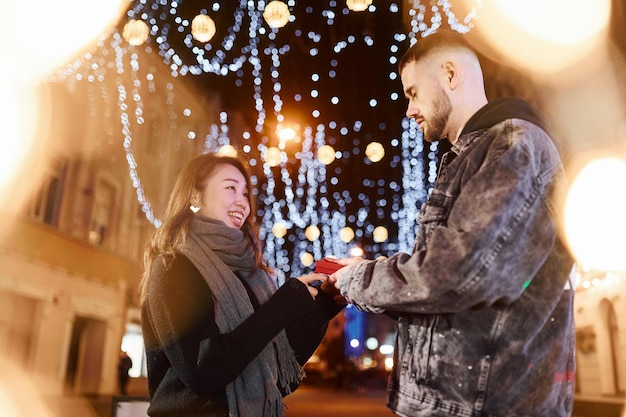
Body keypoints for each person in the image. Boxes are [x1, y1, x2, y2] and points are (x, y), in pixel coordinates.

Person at [329, 29, 576, 417]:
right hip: (466, 403)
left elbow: (455, 272)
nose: (409, 110)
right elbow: (449, 288)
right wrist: (368, 274)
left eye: (412, 93)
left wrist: (359, 278)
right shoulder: (478, 155)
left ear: (449, 74)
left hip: (487, 405)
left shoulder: (512, 146)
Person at [140, 152, 345, 417]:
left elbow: (282, 367)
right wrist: (283, 304)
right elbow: (202, 370)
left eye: (246, 193)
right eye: (230, 188)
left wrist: (324, 305)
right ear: (195, 197)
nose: (242, 202)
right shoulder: (174, 266)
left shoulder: (250, 273)